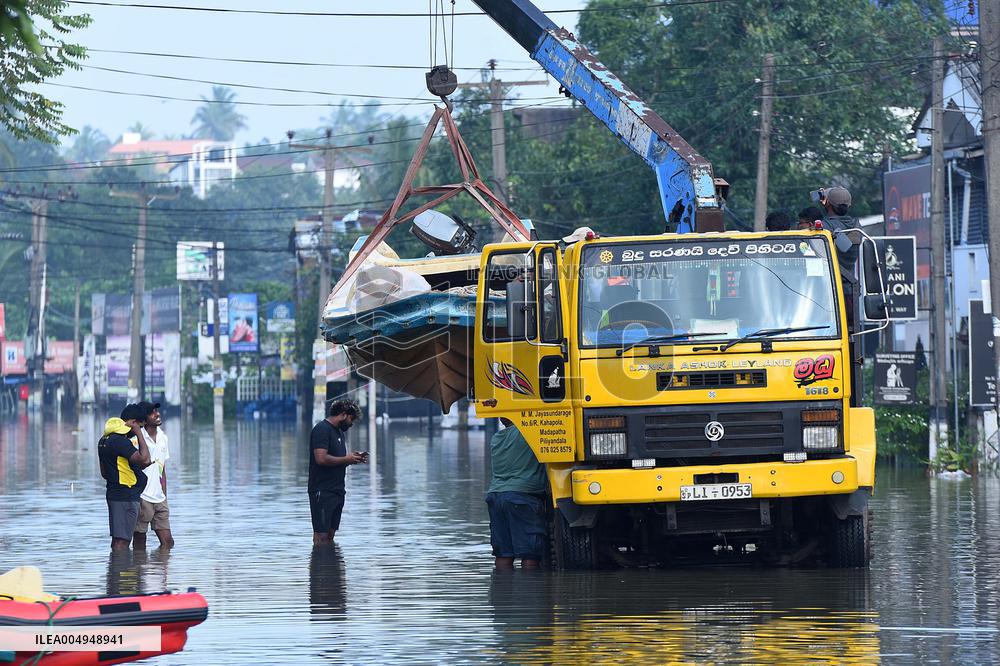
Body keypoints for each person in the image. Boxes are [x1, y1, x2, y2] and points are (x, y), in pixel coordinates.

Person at [485, 419, 547, 569]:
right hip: (522, 496)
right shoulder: (529, 431)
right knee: (530, 554)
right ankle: (529, 589)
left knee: (503, 554)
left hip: (496, 495)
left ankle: (503, 590)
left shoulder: (496, 438)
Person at [308, 399, 366, 544]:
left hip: (338, 490)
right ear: (343, 415)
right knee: (321, 536)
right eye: (351, 419)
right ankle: (319, 565)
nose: (351, 423)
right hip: (322, 490)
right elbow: (321, 459)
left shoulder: (339, 432)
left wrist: (353, 458)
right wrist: (347, 459)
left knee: (330, 536)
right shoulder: (322, 429)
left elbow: (338, 460)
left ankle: (329, 566)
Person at [97, 405, 150, 552]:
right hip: (125, 496)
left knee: (118, 539)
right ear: (132, 422)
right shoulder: (120, 441)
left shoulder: (104, 440)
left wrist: (127, 470)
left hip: (115, 493)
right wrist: (139, 433)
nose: (140, 430)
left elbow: (104, 472)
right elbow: (145, 459)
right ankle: (120, 571)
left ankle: (116, 572)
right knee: (122, 542)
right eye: (140, 426)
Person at [133, 401, 173, 549]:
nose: (157, 414)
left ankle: (161, 570)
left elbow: (162, 469)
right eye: (152, 412)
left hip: (160, 498)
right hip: (142, 497)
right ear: (144, 418)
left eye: (157, 411)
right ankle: (139, 569)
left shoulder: (163, 437)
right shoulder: (136, 438)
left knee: (168, 543)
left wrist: (165, 495)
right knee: (139, 541)